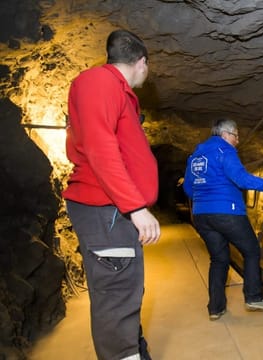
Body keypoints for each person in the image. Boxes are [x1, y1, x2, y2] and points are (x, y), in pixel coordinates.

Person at [63, 29, 159, 360]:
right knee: (117, 294)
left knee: (127, 290)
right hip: (107, 208)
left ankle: (136, 351)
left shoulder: (113, 90)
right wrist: (135, 206)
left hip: (112, 210)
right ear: (142, 62)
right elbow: (101, 148)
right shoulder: (99, 82)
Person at [183, 118, 263, 321]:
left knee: (218, 260)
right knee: (251, 250)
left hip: (201, 215)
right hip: (227, 212)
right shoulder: (225, 150)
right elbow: (242, 179)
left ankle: (215, 308)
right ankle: (253, 297)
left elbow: (188, 188)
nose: (237, 140)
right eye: (236, 135)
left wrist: (205, 201)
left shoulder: (195, 156)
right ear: (226, 134)